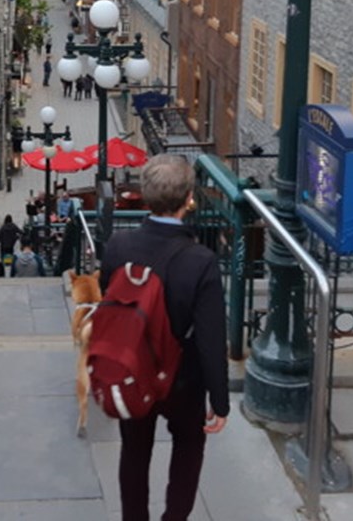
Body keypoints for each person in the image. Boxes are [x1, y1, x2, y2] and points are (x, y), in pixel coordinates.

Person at [99, 153, 229, 521]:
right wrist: (219, 401)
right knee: (188, 446)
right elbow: (210, 337)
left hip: (132, 367)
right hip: (182, 378)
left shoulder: (119, 246)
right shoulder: (200, 260)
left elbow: (111, 295)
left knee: (134, 450)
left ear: (144, 196)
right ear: (189, 199)